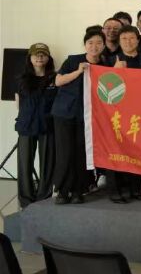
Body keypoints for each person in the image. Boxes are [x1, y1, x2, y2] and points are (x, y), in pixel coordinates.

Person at [51, 28, 107, 204]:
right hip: (65, 113)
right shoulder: (73, 60)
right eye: (90, 43)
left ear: (104, 45)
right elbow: (58, 81)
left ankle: (78, 190)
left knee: (82, 153)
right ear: (85, 45)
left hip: (88, 117)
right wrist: (78, 71)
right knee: (65, 152)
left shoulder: (105, 64)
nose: (94, 46)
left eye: (98, 43)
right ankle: (62, 191)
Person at [107, 26, 141, 203]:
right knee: (116, 151)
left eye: (132, 38)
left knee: (137, 151)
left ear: (138, 40)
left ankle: (136, 188)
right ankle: (115, 190)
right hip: (117, 114)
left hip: (140, 114)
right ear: (119, 42)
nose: (128, 42)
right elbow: (103, 87)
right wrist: (114, 70)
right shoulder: (111, 60)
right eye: (124, 39)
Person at [14, 43, 56, 208]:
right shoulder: (21, 79)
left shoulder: (55, 78)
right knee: (25, 163)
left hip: (47, 126)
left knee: (47, 163)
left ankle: (44, 197)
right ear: (30, 58)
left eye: (43, 54)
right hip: (26, 125)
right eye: (36, 54)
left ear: (48, 58)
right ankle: (26, 199)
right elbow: (18, 103)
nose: (39, 57)